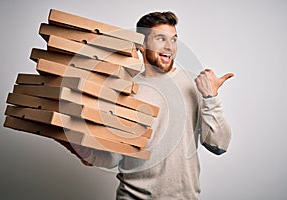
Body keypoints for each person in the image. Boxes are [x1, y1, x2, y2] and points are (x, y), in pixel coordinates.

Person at [59, 11, 234, 199]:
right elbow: (113, 158)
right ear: (142, 45)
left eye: (174, 40)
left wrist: (210, 97)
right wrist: (81, 149)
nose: (170, 47)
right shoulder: (124, 89)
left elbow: (219, 145)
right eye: (161, 39)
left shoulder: (194, 84)